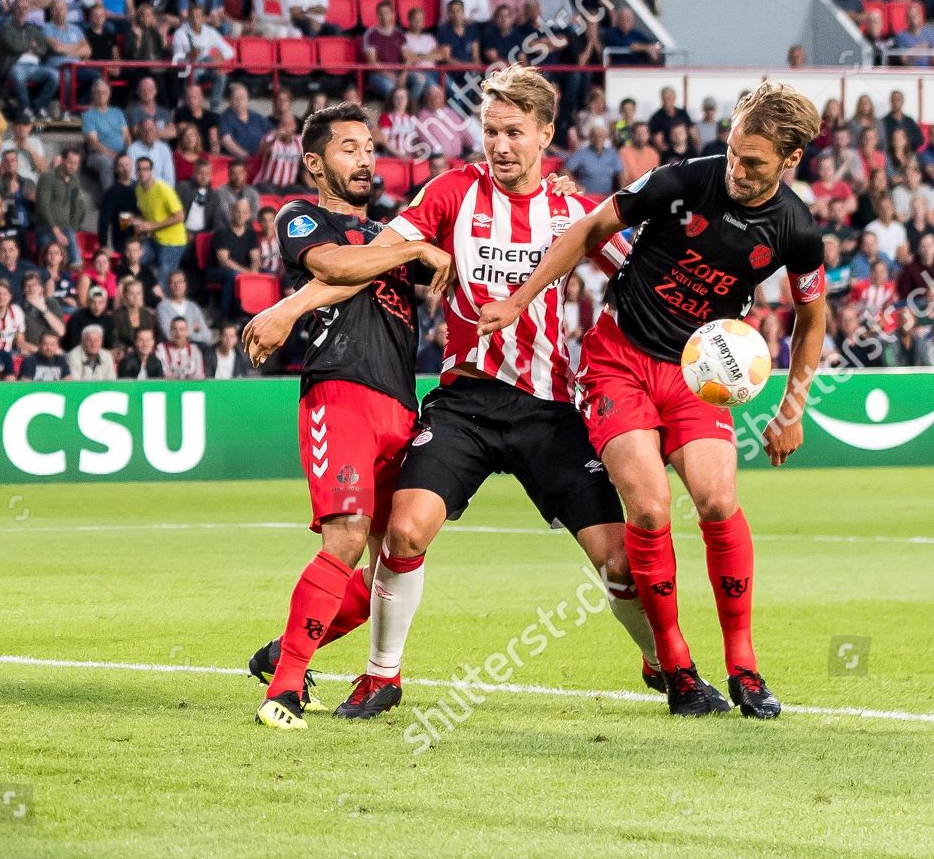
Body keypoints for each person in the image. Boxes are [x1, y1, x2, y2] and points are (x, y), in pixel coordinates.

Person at [245, 68, 660, 722]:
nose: (500, 144)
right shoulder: (402, 203)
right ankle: (339, 681)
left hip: (505, 405)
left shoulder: (561, 211)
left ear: (545, 134)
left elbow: (635, 269)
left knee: (607, 562)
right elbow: (349, 265)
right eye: (491, 131)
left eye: (514, 132)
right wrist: (291, 307)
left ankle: (664, 662)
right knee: (380, 536)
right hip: (413, 397)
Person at [479, 81, 829, 718]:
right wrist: (520, 298)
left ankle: (745, 666)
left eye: (753, 162)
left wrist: (793, 407)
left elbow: (812, 319)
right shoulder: (683, 181)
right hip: (619, 362)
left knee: (718, 501)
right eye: (732, 151)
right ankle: (676, 668)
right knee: (648, 508)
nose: (737, 168)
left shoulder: (796, 230)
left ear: (791, 158)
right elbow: (592, 227)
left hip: (698, 376)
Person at [231, 102, 450, 730]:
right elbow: (334, 267)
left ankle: (286, 650)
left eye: (370, 148)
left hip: (402, 403)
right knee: (347, 538)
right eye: (349, 148)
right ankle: (284, 691)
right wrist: (415, 248)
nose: (364, 159)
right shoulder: (302, 217)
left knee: (393, 561)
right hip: (341, 390)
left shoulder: (392, 231)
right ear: (314, 162)